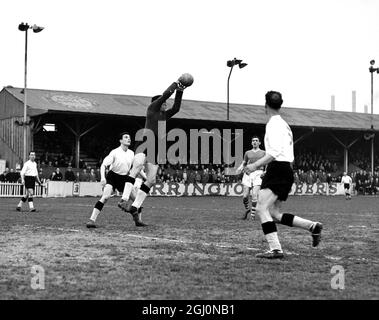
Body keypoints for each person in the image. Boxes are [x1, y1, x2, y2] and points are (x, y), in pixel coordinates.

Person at [244, 91, 323, 259]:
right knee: (275, 214)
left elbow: (273, 153)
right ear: (281, 105)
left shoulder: (273, 124)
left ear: (265, 106)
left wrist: (255, 165)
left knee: (261, 208)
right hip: (286, 169)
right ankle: (312, 227)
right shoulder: (285, 125)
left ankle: (275, 249)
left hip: (277, 169)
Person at [117, 74, 192, 225]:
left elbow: (176, 108)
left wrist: (181, 90)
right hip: (145, 141)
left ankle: (135, 206)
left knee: (151, 180)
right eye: (164, 103)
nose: (166, 104)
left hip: (156, 147)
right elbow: (165, 95)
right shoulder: (152, 109)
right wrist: (176, 83)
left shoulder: (164, 115)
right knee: (136, 167)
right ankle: (124, 198)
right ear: (158, 103)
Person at [86, 132, 138, 228]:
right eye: (126, 137)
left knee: (136, 199)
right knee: (105, 197)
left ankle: (138, 221)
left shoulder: (131, 153)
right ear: (120, 140)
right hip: (112, 177)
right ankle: (91, 220)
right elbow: (103, 165)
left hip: (124, 178)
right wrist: (103, 178)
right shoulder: (115, 152)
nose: (129, 139)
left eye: (129, 137)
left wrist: (146, 177)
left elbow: (136, 168)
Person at [236, 136, 265, 220]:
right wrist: (240, 168)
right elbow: (244, 162)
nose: (255, 142)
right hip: (248, 173)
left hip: (258, 174)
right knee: (245, 196)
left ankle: (252, 216)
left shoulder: (263, 153)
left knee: (254, 195)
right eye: (253, 141)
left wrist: (265, 171)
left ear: (259, 143)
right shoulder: (247, 153)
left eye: (256, 140)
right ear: (251, 143)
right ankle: (247, 209)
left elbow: (267, 163)